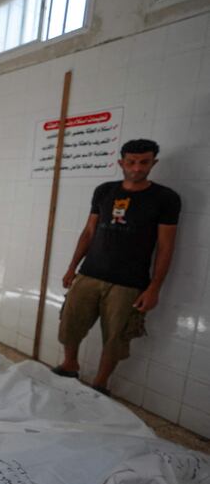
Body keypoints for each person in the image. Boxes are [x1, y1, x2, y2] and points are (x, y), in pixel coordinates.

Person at [52, 139, 181, 396]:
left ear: (153, 163)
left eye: (144, 162)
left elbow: (166, 247)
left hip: (129, 282)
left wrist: (154, 288)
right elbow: (89, 231)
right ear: (121, 162)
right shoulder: (104, 191)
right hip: (90, 273)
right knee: (70, 321)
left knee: (116, 337)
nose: (137, 168)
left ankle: (100, 383)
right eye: (131, 162)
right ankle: (69, 364)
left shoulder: (166, 198)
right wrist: (72, 267)